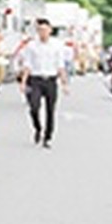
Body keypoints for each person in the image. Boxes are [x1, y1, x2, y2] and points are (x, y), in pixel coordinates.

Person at [17, 19, 69, 147]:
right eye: (40, 30)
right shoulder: (32, 46)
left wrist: (64, 84)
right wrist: (23, 82)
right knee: (34, 106)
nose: (43, 33)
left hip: (51, 80)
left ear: (50, 30)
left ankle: (48, 136)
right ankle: (38, 128)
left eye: (45, 30)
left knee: (50, 110)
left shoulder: (57, 46)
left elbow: (60, 66)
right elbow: (27, 64)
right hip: (36, 79)